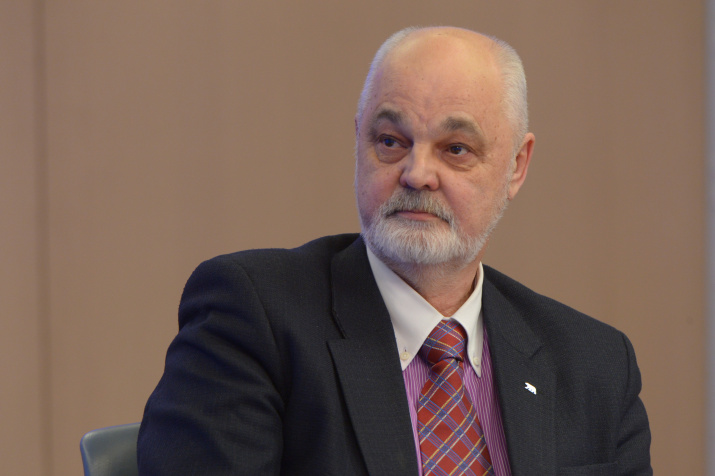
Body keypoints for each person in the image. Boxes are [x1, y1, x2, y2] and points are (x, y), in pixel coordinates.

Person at [138, 26, 652, 475]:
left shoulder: (596, 364)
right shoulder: (255, 316)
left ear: (516, 166)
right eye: (390, 141)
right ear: (358, 141)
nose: (417, 174)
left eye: (455, 149)